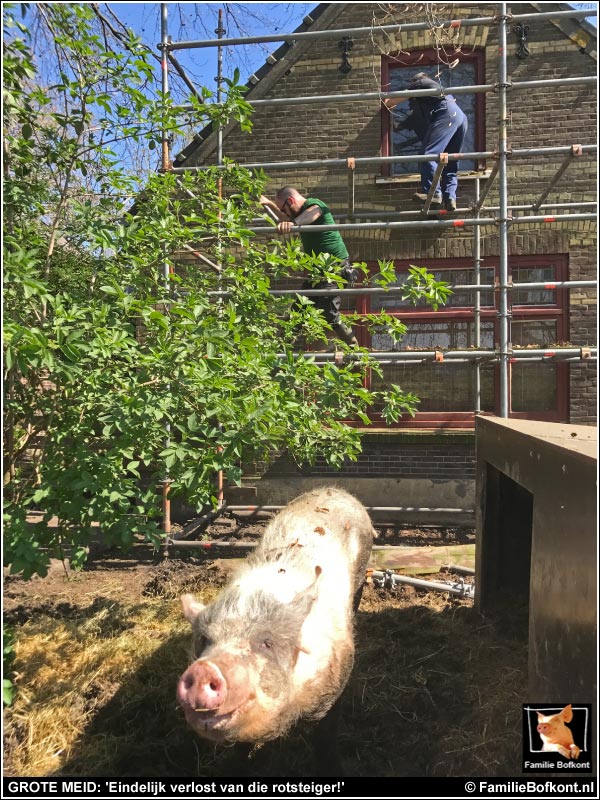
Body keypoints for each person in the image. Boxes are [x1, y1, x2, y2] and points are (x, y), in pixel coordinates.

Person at [259, 187, 359, 346]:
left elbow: (314, 213)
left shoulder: (313, 204)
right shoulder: (297, 216)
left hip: (335, 268)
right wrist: (270, 204)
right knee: (298, 311)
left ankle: (354, 348)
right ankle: (279, 349)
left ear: (291, 201)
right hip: (316, 272)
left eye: (284, 209)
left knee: (329, 312)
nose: (285, 214)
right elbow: (285, 219)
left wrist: (293, 223)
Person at [384, 72, 468, 212]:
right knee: (450, 161)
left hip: (447, 114)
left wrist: (387, 102)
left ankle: (433, 193)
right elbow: (399, 127)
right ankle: (450, 198)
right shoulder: (425, 105)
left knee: (427, 154)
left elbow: (392, 101)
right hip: (460, 118)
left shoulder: (423, 83)